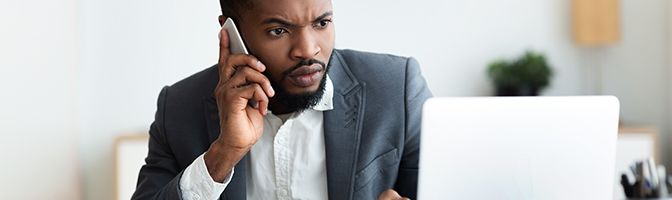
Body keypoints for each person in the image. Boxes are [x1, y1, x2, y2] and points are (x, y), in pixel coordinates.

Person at [131, 0, 432, 199]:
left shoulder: (396, 89)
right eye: (279, 30)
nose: (308, 49)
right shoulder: (179, 108)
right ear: (230, 32)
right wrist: (223, 154)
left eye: (321, 23)